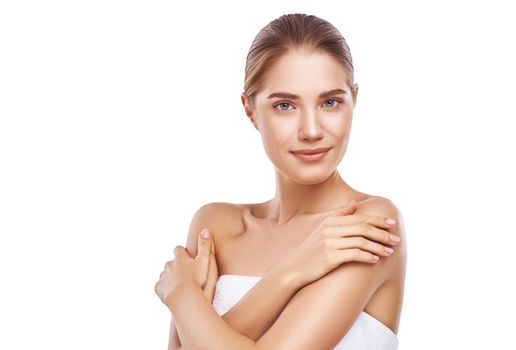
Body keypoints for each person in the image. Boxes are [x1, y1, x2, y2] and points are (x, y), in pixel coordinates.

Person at [155, 13, 407, 350]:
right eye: (285, 105)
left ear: (353, 100)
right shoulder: (215, 225)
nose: (312, 130)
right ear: (251, 111)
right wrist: (295, 269)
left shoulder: (367, 225)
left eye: (330, 102)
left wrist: (183, 296)